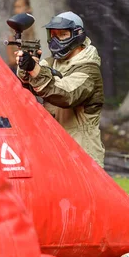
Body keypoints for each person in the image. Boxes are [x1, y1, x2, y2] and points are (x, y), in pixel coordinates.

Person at [15, 11, 105, 167]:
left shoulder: (89, 70)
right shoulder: (51, 62)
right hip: (56, 151)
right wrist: (26, 67)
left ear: (77, 35)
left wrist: (33, 68)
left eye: (62, 35)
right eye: (53, 35)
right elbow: (26, 85)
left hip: (83, 156)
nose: (56, 40)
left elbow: (65, 94)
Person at [7, 0, 35, 73]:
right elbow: (11, 59)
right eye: (15, 7)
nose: (16, 10)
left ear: (29, 8)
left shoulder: (35, 28)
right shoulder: (12, 28)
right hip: (16, 69)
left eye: (19, 7)